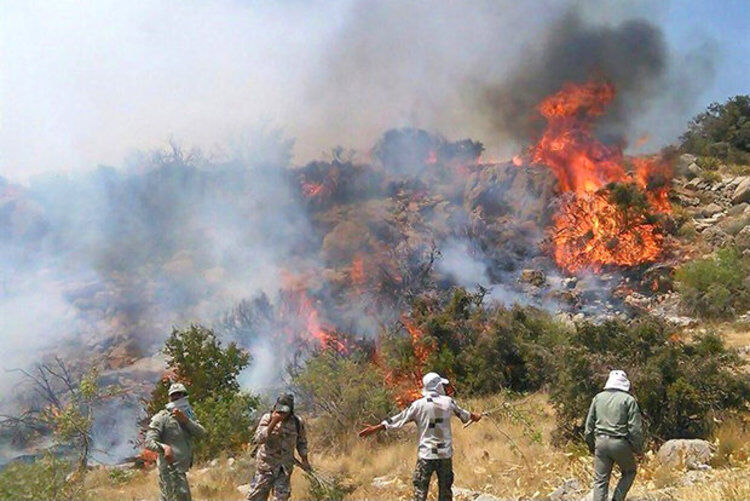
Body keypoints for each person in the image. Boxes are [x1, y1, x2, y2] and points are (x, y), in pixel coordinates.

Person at [358, 372, 481, 501]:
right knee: (445, 493)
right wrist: (475, 416)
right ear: (438, 386)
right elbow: (464, 415)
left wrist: (377, 427)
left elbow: (399, 419)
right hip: (444, 455)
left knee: (420, 493)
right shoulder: (448, 402)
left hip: (426, 455)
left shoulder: (418, 405)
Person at [584, 370, 644, 501]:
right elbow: (635, 429)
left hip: (600, 442)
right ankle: (617, 499)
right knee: (630, 472)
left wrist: (591, 445)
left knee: (600, 480)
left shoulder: (598, 398)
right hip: (619, 443)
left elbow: (588, 427)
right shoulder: (628, 400)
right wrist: (638, 449)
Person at [145, 382, 206, 501]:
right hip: (170, 470)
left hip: (180, 470)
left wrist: (185, 420)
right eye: (175, 396)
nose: (178, 398)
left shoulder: (188, 415)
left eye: (180, 395)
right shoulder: (162, 417)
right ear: (170, 398)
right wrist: (164, 447)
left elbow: (201, 433)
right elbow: (149, 441)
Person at [247, 393, 310, 501]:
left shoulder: (296, 422)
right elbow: (258, 439)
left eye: (285, 411)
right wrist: (273, 423)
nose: (282, 413)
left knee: (281, 498)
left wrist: (304, 460)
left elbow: (302, 442)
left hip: (284, 468)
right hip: (266, 467)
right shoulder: (267, 418)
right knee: (256, 497)